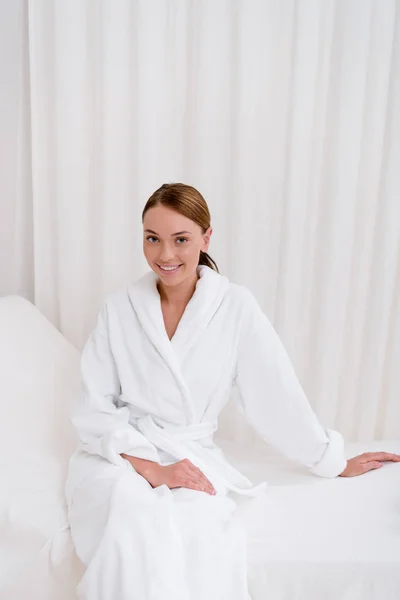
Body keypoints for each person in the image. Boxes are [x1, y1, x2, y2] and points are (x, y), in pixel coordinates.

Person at [65, 182, 400, 600]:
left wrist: (330, 460)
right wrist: (152, 469)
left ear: (206, 238)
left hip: (187, 453)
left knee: (201, 532)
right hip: (119, 456)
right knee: (129, 515)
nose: (165, 255)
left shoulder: (235, 307)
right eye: (152, 239)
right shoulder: (119, 308)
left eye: (180, 240)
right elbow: (93, 408)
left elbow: (275, 394)